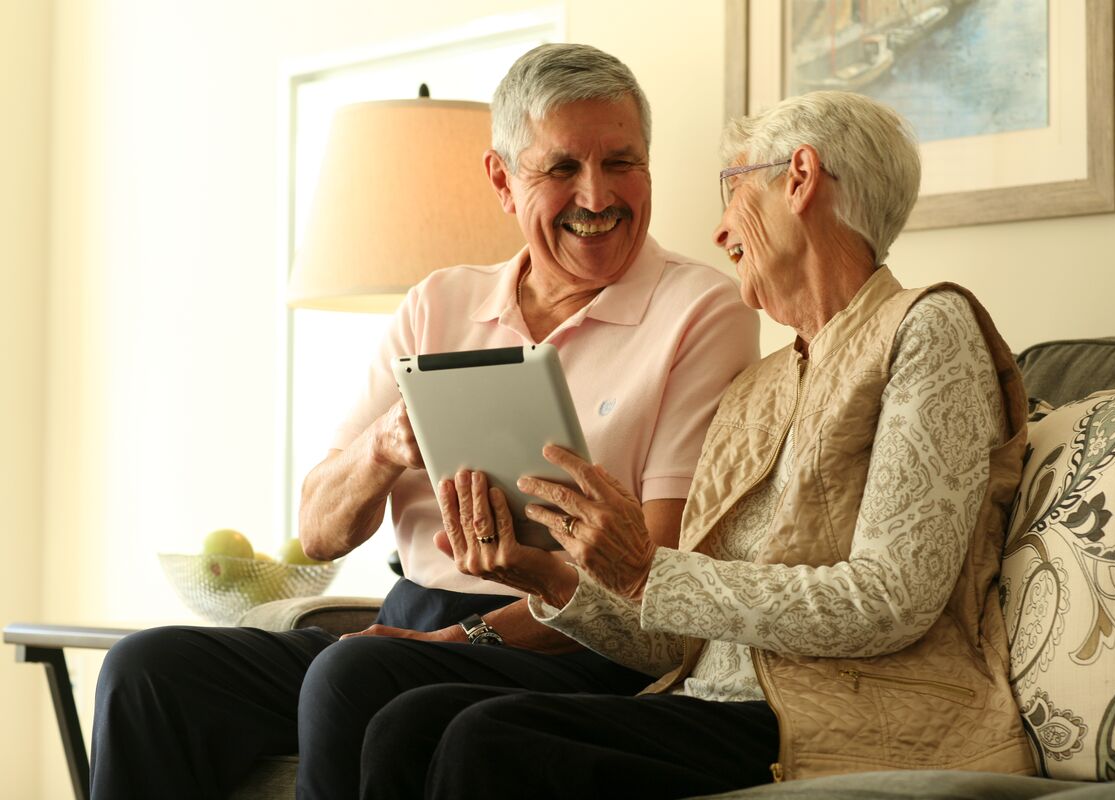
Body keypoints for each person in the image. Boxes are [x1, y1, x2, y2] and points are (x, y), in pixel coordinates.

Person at [89, 44, 759, 799]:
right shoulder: (438, 303)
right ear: (502, 181)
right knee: (149, 670)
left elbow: (657, 568)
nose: (597, 195)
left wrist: (459, 637)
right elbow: (319, 532)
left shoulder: (701, 310)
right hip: (414, 625)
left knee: (354, 672)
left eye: (623, 162)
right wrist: (382, 447)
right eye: (563, 169)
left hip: (572, 639)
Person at [360, 90, 1040, 799]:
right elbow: (680, 640)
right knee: (407, 721)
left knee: (485, 739)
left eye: (733, 190)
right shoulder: (759, 387)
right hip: (708, 704)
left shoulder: (927, 329)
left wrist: (648, 572)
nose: (719, 233)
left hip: (847, 717)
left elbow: (890, 598)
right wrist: (556, 576)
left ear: (800, 178)